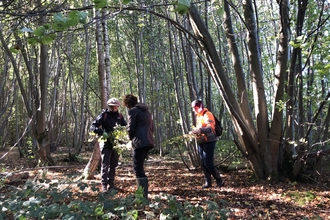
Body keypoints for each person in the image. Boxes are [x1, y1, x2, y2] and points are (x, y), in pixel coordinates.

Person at [90, 98, 127, 193]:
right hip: (106, 142)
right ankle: (104, 186)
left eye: (116, 107)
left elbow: (125, 127)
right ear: (109, 106)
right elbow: (93, 126)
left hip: (116, 144)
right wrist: (102, 132)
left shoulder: (120, 116)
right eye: (112, 107)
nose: (114, 109)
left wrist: (123, 137)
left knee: (114, 165)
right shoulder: (104, 115)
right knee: (105, 164)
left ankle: (111, 184)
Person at [123, 94, 154, 199]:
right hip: (148, 141)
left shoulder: (133, 111)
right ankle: (142, 194)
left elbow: (130, 128)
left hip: (139, 142)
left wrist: (131, 139)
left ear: (128, 104)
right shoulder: (146, 111)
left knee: (137, 168)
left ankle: (142, 196)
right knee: (140, 167)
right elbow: (152, 127)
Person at [190, 99, 224, 188]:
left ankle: (219, 180)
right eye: (193, 108)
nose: (194, 110)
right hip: (201, 141)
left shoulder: (207, 114)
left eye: (195, 108)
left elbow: (211, 128)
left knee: (208, 163)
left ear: (200, 106)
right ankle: (207, 182)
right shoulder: (198, 116)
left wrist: (200, 130)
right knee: (203, 163)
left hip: (210, 140)